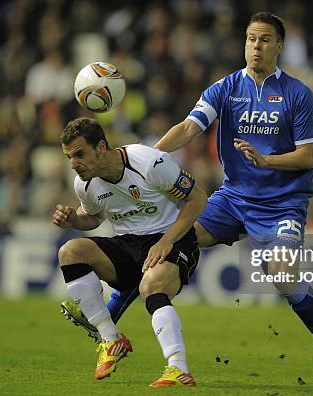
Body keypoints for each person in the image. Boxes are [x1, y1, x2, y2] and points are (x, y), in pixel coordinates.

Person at [62, 11, 313, 388]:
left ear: (279, 46)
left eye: (263, 40)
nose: (255, 47)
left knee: (281, 275)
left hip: (282, 205)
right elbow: (189, 127)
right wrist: (148, 159)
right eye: (250, 39)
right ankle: (109, 321)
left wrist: (266, 159)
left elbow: (307, 157)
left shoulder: (297, 93)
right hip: (232, 199)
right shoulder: (226, 87)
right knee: (168, 243)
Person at [54, 117, 206, 387]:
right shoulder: (84, 183)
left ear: (101, 147)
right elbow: (93, 217)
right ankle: (110, 339)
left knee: (152, 286)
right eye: (69, 157)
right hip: (128, 243)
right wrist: (74, 221)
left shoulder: (148, 162)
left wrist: (167, 240)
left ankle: (177, 367)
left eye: (79, 154)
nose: (74, 164)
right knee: (70, 251)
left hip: (173, 238)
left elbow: (198, 199)